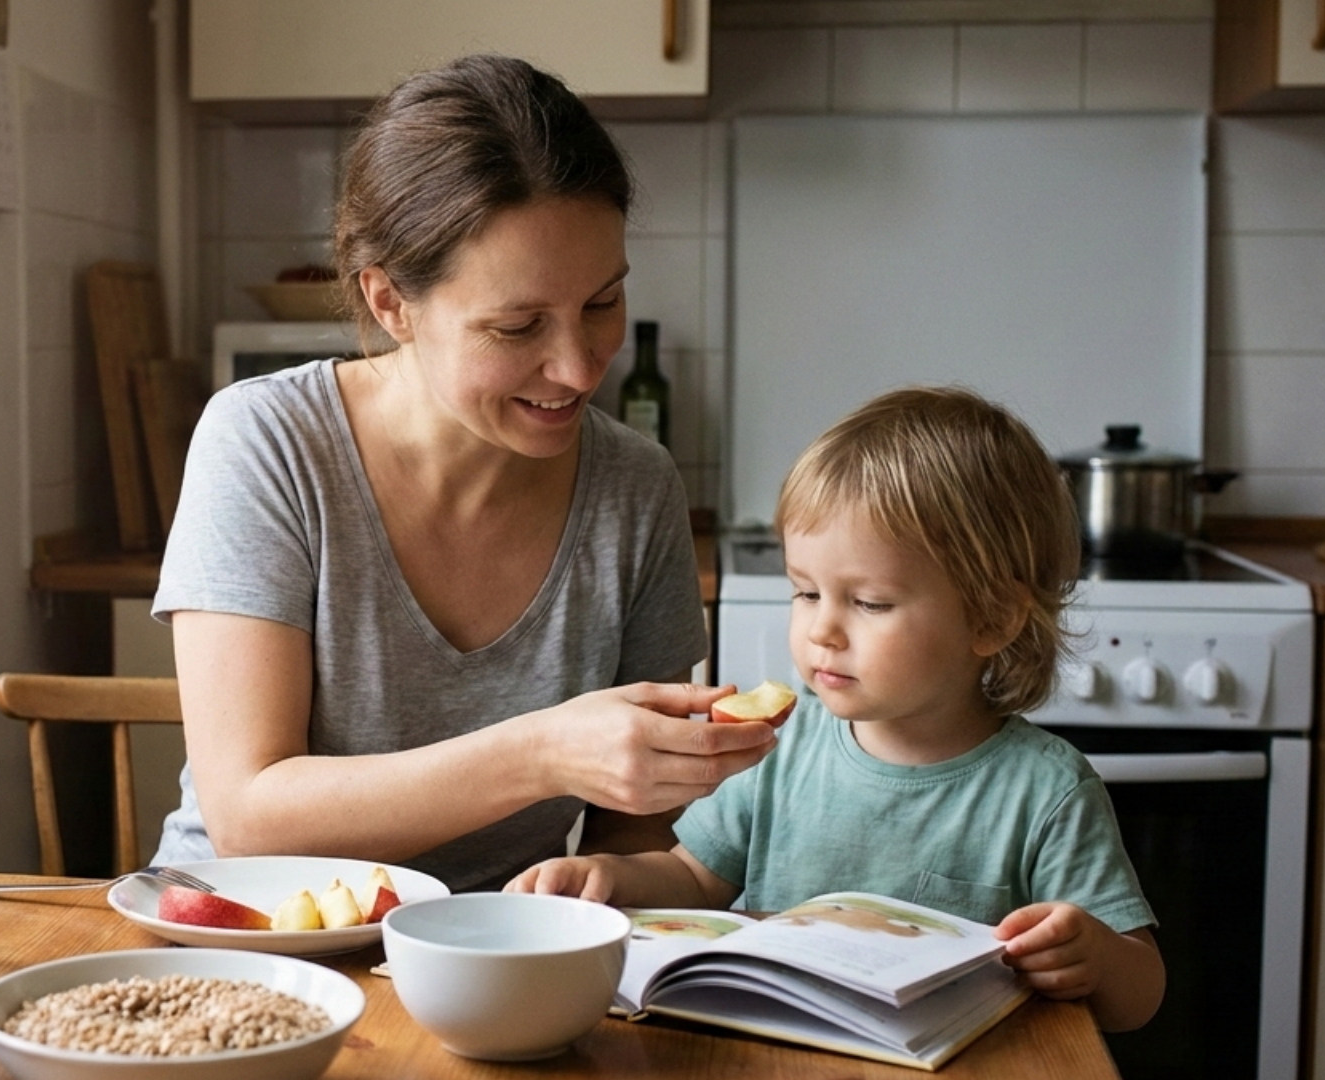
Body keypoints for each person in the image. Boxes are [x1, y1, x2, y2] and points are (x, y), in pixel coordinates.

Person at [151, 54, 776, 894]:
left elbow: (633, 843)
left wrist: (612, 866)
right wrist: (545, 750)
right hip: (250, 943)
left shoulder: (635, 488)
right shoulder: (268, 442)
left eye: (602, 304)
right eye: (518, 327)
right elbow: (248, 818)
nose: (580, 369)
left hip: (493, 959)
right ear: (390, 305)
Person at [508, 386, 1166, 1031]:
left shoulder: (1046, 790)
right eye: (805, 592)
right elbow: (689, 879)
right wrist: (606, 879)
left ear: (991, 619)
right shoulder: (785, 750)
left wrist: (1097, 957)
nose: (822, 630)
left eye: (870, 602)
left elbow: (1141, 994)